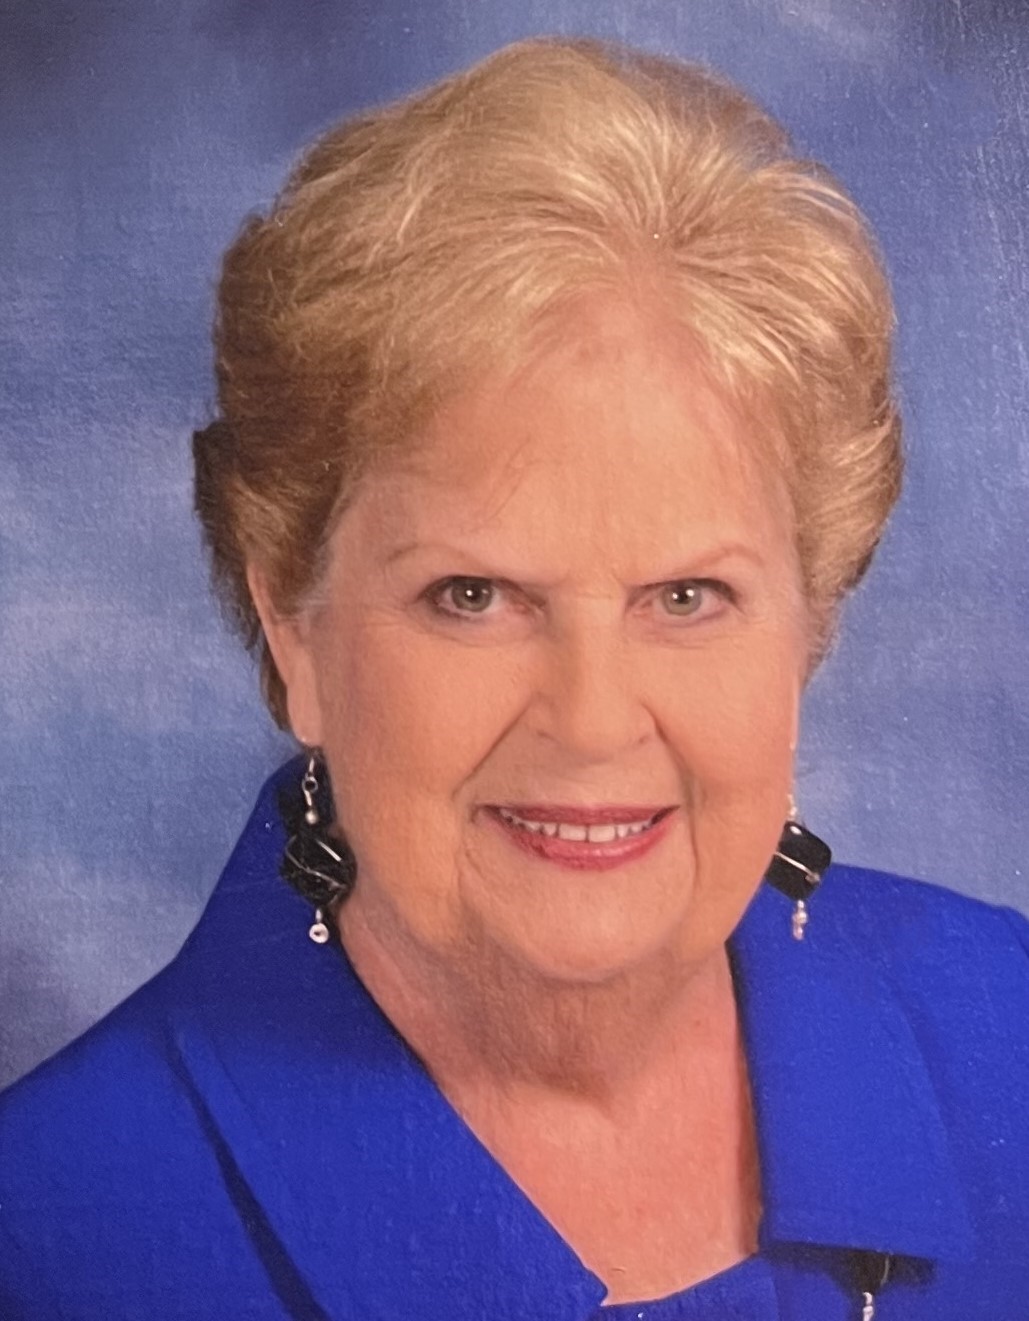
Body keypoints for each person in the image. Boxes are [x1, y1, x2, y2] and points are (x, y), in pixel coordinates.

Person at [1, 36, 1027, 1321]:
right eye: (473, 596)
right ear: (292, 625)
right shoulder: (55, 1232)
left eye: (687, 597)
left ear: (809, 622)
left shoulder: (1008, 1027)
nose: (591, 721)